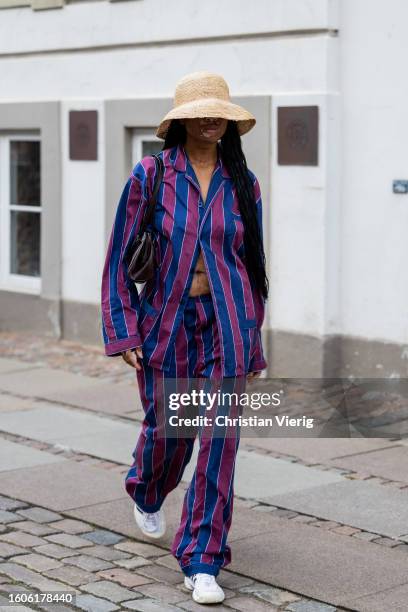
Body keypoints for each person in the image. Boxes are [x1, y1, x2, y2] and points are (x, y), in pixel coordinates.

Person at [101, 70, 268, 605]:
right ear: (181, 121)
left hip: (227, 324)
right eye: (200, 112)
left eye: (218, 110)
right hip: (166, 323)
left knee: (219, 442)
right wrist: (124, 327)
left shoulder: (244, 183)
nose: (210, 118)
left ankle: (202, 559)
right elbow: (119, 260)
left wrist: (251, 337)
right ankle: (147, 488)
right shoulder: (151, 176)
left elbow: (253, 264)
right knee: (170, 433)